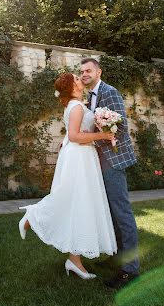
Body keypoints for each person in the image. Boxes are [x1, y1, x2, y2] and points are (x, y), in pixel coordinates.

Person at [18, 72, 117, 280]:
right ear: (72, 87)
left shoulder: (75, 105)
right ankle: (33, 216)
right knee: (72, 200)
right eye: (77, 79)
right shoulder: (77, 107)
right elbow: (74, 136)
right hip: (79, 158)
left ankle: (74, 260)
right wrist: (103, 135)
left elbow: (71, 134)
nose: (81, 80)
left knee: (80, 205)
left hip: (82, 156)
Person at [80, 58, 140, 289]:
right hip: (99, 161)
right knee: (111, 213)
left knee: (122, 214)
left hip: (113, 160)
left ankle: (130, 269)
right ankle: (118, 256)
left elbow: (121, 125)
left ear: (98, 72)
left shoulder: (109, 92)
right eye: (82, 71)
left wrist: (102, 131)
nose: (85, 74)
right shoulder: (90, 97)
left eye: (89, 71)